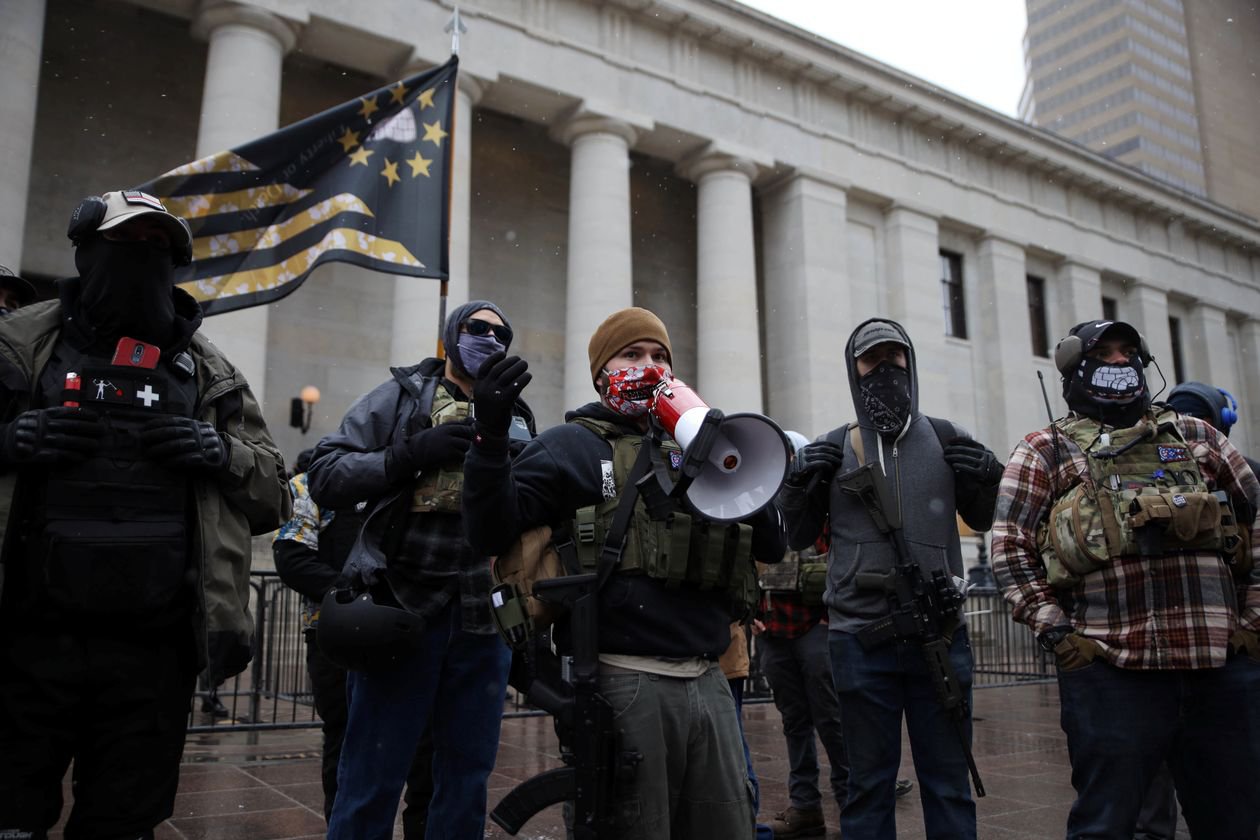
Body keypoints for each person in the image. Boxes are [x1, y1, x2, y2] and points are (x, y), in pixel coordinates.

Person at [0, 189, 289, 838]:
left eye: (162, 247)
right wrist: (8, 444)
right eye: (129, 242)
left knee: (123, 823)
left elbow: (276, 495)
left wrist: (220, 452)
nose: (145, 258)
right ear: (87, 250)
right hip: (27, 643)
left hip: (153, 653)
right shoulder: (17, 347)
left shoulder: (210, 374)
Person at [462, 306, 787, 839]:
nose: (650, 366)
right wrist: (490, 441)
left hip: (709, 681)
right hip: (623, 680)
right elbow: (489, 531)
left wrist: (724, 449)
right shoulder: (572, 447)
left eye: (660, 356)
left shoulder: (694, 447)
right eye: (632, 354)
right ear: (601, 372)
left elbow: (772, 543)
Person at [991, 320, 1260, 838]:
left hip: (1219, 671)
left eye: (1128, 352)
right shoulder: (1045, 450)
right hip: (1112, 672)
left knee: (1233, 822)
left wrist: (1252, 624)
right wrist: (1057, 633)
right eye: (1104, 353)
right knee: (1105, 825)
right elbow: (1009, 548)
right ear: (1075, 370)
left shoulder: (1198, 437)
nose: (1119, 362)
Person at [307, 300, 534, 839]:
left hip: (484, 618)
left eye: (500, 334)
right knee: (371, 771)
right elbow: (326, 473)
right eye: (476, 329)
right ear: (451, 335)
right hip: (402, 607)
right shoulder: (402, 397)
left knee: (466, 776)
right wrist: (404, 455)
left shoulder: (517, 414)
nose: (488, 339)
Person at [778, 318, 1000, 840]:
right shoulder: (834, 448)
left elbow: (983, 519)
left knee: (947, 785)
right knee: (867, 787)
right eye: (871, 361)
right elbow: (797, 537)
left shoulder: (947, 438)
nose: (885, 369)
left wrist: (986, 478)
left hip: (940, 637)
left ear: (910, 362)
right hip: (859, 641)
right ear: (854, 371)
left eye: (894, 358)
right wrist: (797, 483)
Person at [272, 448, 433, 835]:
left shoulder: (405, 479)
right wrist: (353, 598)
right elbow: (292, 556)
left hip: (405, 631)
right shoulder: (310, 485)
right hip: (339, 635)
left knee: (424, 747)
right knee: (346, 741)